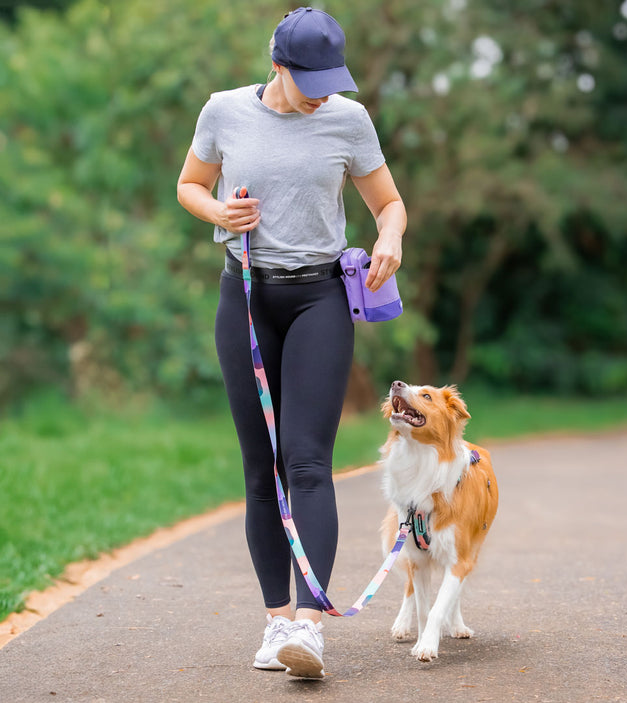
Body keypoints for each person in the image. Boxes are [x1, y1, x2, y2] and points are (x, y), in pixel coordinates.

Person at [176, 6, 406, 680]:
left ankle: (310, 628)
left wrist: (388, 238)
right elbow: (189, 184)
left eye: (331, 79)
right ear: (277, 64)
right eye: (309, 79)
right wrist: (217, 210)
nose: (322, 92)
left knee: (307, 461)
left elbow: (387, 203)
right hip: (244, 299)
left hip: (318, 300)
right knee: (260, 467)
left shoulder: (346, 119)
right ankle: (275, 620)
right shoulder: (223, 111)